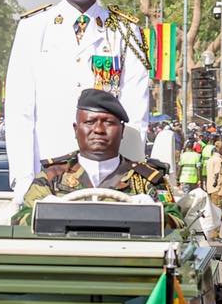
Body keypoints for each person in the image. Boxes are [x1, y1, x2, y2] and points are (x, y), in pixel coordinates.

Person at [3, 0, 151, 193]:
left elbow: (136, 115)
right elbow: (19, 113)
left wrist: (130, 181)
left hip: (110, 178)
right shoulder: (33, 28)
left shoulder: (127, 32)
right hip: (47, 176)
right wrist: (24, 182)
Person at [16, 89, 165, 216]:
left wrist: (151, 212)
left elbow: (177, 224)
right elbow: (22, 219)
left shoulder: (145, 180)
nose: (99, 130)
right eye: (89, 122)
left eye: (108, 123)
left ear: (122, 131)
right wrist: (46, 211)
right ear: (76, 129)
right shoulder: (53, 176)